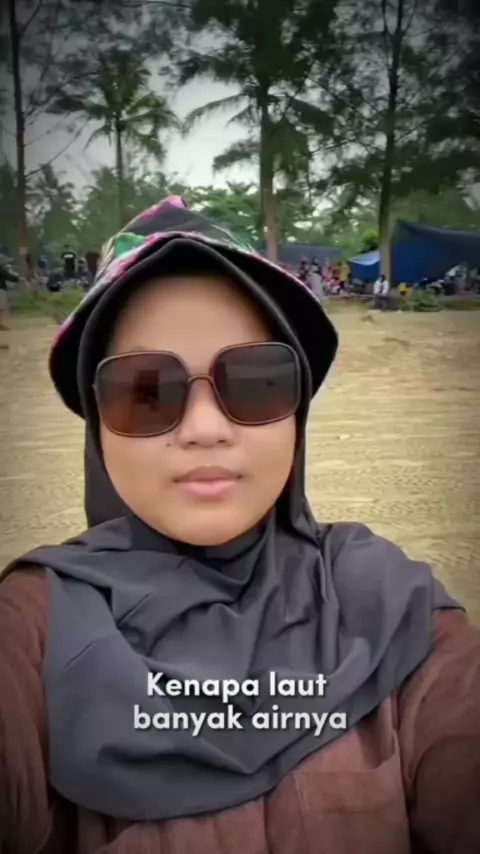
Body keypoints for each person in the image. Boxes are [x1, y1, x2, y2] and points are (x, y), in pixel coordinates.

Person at [1, 196, 480, 853]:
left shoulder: (388, 602)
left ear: (296, 413)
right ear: (97, 428)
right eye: (146, 389)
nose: (205, 429)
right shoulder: (34, 627)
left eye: (255, 380)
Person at [0, 253, 19, 347]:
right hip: (0, 290)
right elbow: (11, 277)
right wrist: (17, 277)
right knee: (1, 309)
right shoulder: (1, 269)